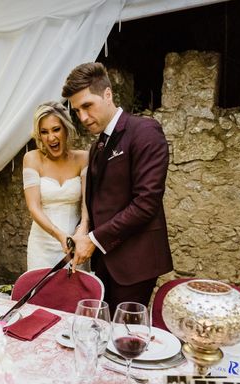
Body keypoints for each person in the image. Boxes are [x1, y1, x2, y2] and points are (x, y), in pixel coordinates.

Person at [62, 63, 173, 313]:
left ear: (108, 94)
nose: (82, 117)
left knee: (123, 337)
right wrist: (83, 230)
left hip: (135, 262)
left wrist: (94, 239)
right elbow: (96, 200)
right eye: (77, 110)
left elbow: (146, 204)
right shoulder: (96, 146)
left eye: (87, 106)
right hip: (105, 259)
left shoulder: (145, 131)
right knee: (101, 331)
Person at [23, 101, 89, 270]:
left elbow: (86, 204)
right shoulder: (32, 159)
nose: (51, 137)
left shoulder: (83, 159)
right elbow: (33, 207)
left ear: (66, 128)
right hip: (41, 246)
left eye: (56, 129)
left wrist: (82, 231)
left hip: (74, 243)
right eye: (44, 132)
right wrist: (59, 235)